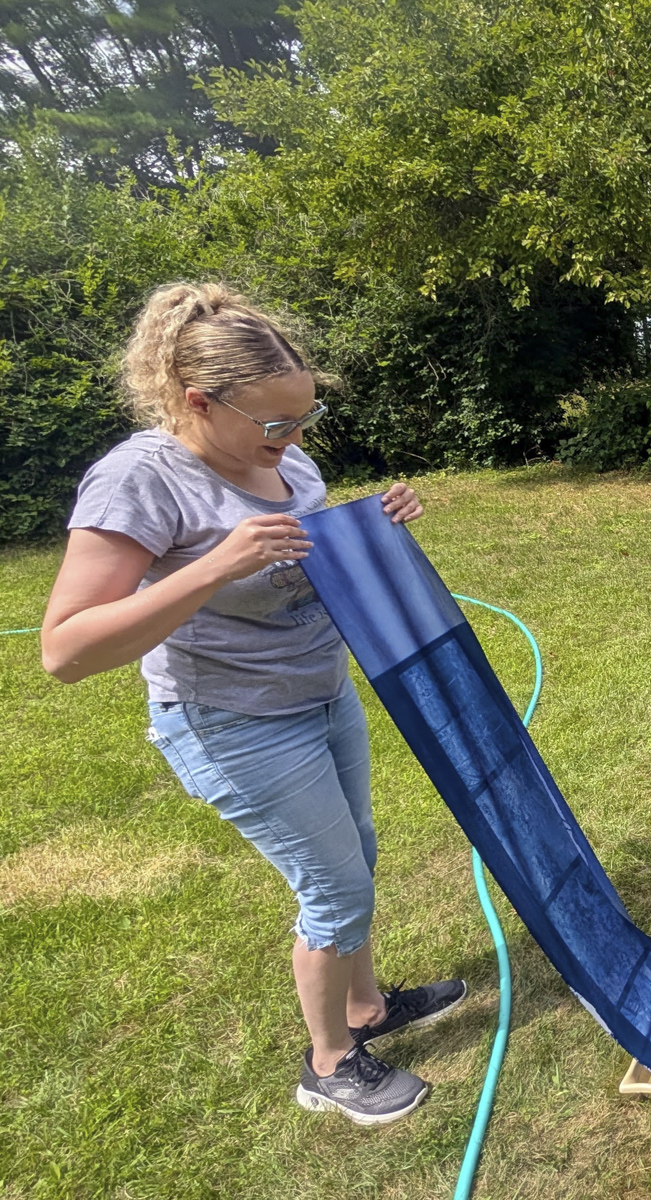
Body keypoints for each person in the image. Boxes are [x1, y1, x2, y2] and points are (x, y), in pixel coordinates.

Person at [41, 282, 466, 1127]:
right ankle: (330, 1066)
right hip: (232, 721)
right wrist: (210, 568)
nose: (295, 441)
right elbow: (66, 649)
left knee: (358, 856)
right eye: (276, 425)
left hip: (320, 693)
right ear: (198, 401)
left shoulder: (288, 462)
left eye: (303, 420)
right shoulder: (139, 480)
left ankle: (366, 1009)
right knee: (333, 886)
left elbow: (306, 559)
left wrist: (375, 525)